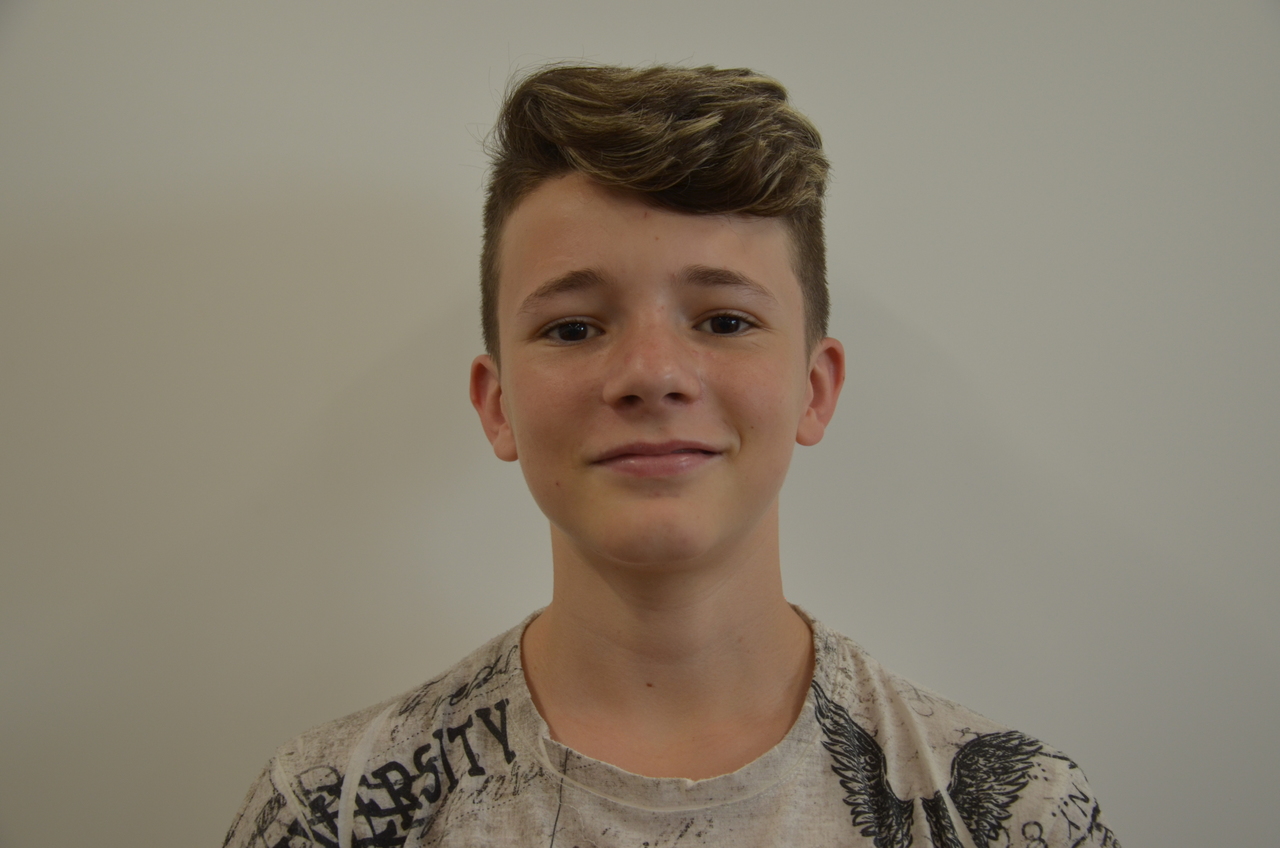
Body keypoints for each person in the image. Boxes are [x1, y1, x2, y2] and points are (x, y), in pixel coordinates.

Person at [222, 64, 1120, 848]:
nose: (651, 375)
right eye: (573, 328)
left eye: (725, 321)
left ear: (815, 389)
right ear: (498, 406)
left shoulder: (1015, 816)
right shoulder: (329, 812)